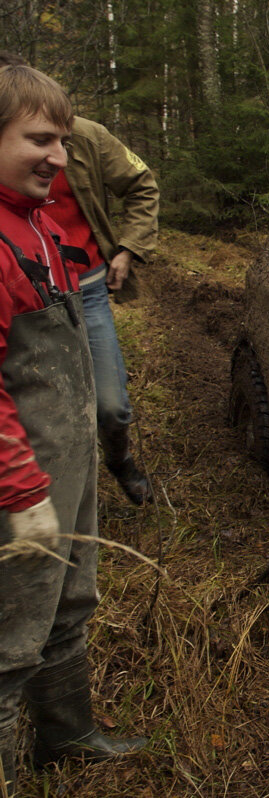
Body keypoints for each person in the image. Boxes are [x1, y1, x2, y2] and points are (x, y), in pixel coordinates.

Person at [0, 64, 145, 794]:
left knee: (67, 604)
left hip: (67, 470)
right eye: (39, 140)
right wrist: (23, 491)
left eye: (62, 141)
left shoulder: (36, 224)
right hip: (20, 487)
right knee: (8, 636)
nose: (59, 158)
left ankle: (69, 739)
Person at [0, 52, 158, 506]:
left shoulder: (84, 137)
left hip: (82, 292)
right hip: (18, 297)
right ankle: (43, 491)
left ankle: (117, 461)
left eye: (60, 143)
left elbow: (141, 182)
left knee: (109, 405)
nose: (57, 156)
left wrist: (127, 248)